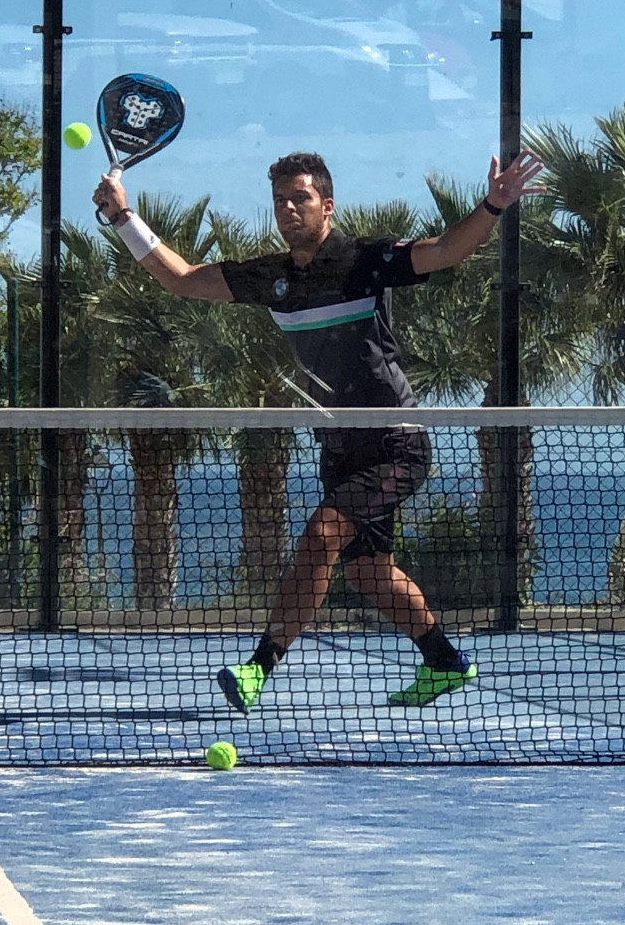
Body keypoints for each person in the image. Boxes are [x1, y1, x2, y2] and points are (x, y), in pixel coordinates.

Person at [92, 148, 542, 713]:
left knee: (321, 537)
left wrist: (493, 204)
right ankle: (445, 662)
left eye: (300, 198)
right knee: (369, 572)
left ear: (327, 205)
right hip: (338, 447)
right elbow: (180, 279)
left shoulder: (365, 260)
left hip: (394, 440)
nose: (288, 208)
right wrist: (122, 216)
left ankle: (258, 668)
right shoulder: (271, 277)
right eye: (280, 199)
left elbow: (447, 250)